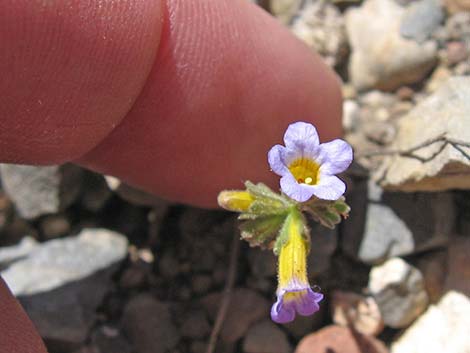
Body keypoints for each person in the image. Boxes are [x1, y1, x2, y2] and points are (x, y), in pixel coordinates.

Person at [0, 1, 343, 352]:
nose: (302, 178)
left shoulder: (308, 172)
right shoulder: (289, 169)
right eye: (297, 291)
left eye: (293, 293)